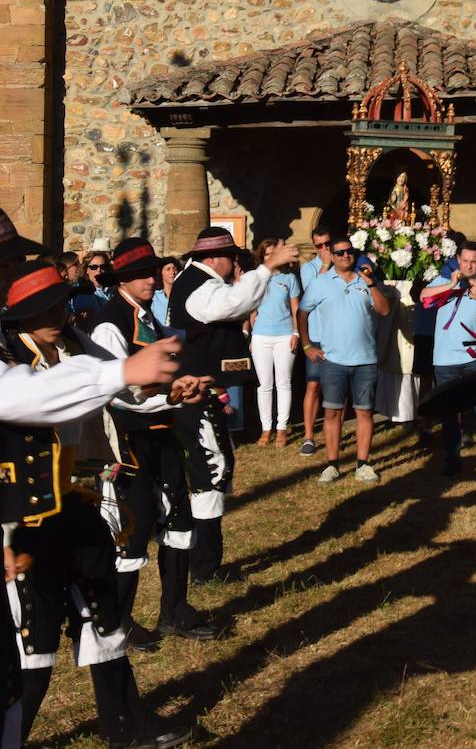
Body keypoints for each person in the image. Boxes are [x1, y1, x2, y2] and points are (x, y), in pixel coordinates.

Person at [0, 200, 184, 749]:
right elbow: (1, 395)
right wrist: (124, 369)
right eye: (4, 261)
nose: (10, 272)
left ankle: (125, 725)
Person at [1, 263, 197, 749]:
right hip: (24, 518)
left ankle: (127, 729)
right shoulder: (6, 365)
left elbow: (122, 386)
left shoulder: (74, 346)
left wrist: (169, 389)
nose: (54, 315)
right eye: (39, 310)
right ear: (18, 317)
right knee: (34, 649)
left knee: (106, 623)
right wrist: (1, 538)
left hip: (78, 506)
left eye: (57, 304)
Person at [92, 239, 219, 644]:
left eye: (153, 271)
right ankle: (118, 622)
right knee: (133, 525)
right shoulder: (110, 324)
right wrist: (172, 395)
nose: (151, 279)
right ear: (123, 280)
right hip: (128, 440)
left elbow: (164, 375)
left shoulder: (151, 318)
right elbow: (120, 391)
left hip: (163, 434)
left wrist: (186, 384)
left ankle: (175, 610)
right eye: (142, 274)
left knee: (179, 517)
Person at [166, 228, 297, 580]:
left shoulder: (196, 281)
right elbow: (234, 304)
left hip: (203, 393)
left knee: (212, 472)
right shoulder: (199, 285)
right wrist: (267, 268)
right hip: (194, 396)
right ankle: (204, 567)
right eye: (231, 258)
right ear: (214, 259)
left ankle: (204, 563)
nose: (234, 265)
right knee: (210, 473)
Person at [298, 236, 389, 483]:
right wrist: (307, 345)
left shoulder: (366, 279)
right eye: (339, 253)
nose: (345, 256)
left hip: (365, 360)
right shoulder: (320, 283)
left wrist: (370, 282)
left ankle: (362, 463)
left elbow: (384, 310)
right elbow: (303, 312)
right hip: (333, 360)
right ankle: (332, 464)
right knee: (332, 413)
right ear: (332, 255)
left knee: (364, 412)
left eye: (349, 251)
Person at [422, 243, 476, 476]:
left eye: (474, 261)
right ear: (458, 259)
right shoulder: (442, 282)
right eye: (465, 260)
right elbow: (423, 297)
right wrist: (450, 284)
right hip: (445, 359)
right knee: (449, 413)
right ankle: (452, 460)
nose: (469, 265)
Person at [249, 237, 301, 446]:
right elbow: (250, 307)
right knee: (264, 385)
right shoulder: (256, 277)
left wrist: (296, 333)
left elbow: (296, 308)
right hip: (261, 336)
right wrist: (252, 334)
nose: (271, 257)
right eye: (267, 254)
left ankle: (281, 428)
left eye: (273, 253)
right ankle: (265, 428)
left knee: (284, 383)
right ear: (262, 256)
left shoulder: (289, 278)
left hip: (284, 335)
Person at [299, 226, 333, 456]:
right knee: (313, 384)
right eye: (319, 246)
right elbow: (312, 294)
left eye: (327, 244)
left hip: (338, 336)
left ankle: (335, 431)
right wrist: (325, 265)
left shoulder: (344, 266)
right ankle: (309, 436)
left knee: (339, 388)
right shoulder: (308, 269)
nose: (324, 249)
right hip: (317, 336)